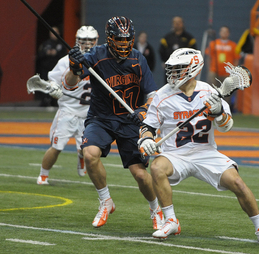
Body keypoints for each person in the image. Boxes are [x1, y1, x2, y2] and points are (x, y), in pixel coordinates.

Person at [138, 48, 259, 244]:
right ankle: (170, 220)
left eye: (178, 69)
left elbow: (226, 126)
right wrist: (147, 140)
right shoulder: (162, 96)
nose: (173, 73)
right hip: (176, 154)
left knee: (238, 184)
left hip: (206, 152)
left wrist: (218, 112)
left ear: (192, 69)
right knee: (157, 166)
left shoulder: (210, 92)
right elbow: (148, 126)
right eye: (172, 69)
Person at [64, 16, 164, 229]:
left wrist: (143, 110)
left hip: (130, 121)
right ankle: (105, 201)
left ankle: (155, 208)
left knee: (140, 175)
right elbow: (70, 83)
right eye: (119, 40)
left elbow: (152, 95)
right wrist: (74, 66)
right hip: (101, 118)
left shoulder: (138, 59)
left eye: (127, 39)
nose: (124, 44)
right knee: (90, 154)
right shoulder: (95, 56)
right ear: (110, 39)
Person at [36, 25, 99, 185]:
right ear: (77, 41)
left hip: (89, 114)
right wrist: (53, 89)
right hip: (68, 111)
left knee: (88, 150)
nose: (86, 43)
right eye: (83, 40)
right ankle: (43, 175)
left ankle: (81, 157)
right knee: (56, 147)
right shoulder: (65, 61)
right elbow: (52, 81)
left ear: (96, 41)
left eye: (90, 40)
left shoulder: (101, 61)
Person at [207, 26, 240, 109]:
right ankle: (211, 107)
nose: (224, 33)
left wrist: (234, 71)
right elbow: (209, 57)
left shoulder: (233, 45)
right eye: (222, 31)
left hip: (227, 72)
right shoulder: (213, 43)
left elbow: (236, 59)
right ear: (219, 32)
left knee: (227, 91)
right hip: (214, 70)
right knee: (212, 89)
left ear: (228, 33)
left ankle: (225, 108)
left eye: (226, 32)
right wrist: (210, 68)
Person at [159, 16, 198, 85]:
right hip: (170, 67)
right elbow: (161, 50)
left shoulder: (189, 38)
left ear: (182, 24)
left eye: (179, 22)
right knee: (169, 85)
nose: (177, 24)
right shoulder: (167, 37)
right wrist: (164, 61)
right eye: (175, 22)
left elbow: (194, 51)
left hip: (184, 67)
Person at [36, 26, 68, 106]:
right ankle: (44, 101)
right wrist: (47, 53)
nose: (53, 34)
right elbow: (39, 55)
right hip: (46, 69)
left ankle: (55, 102)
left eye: (55, 32)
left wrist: (56, 53)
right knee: (45, 85)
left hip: (57, 70)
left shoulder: (62, 44)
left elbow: (66, 57)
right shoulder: (45, 44)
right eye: (52, 32)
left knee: (56, 85)